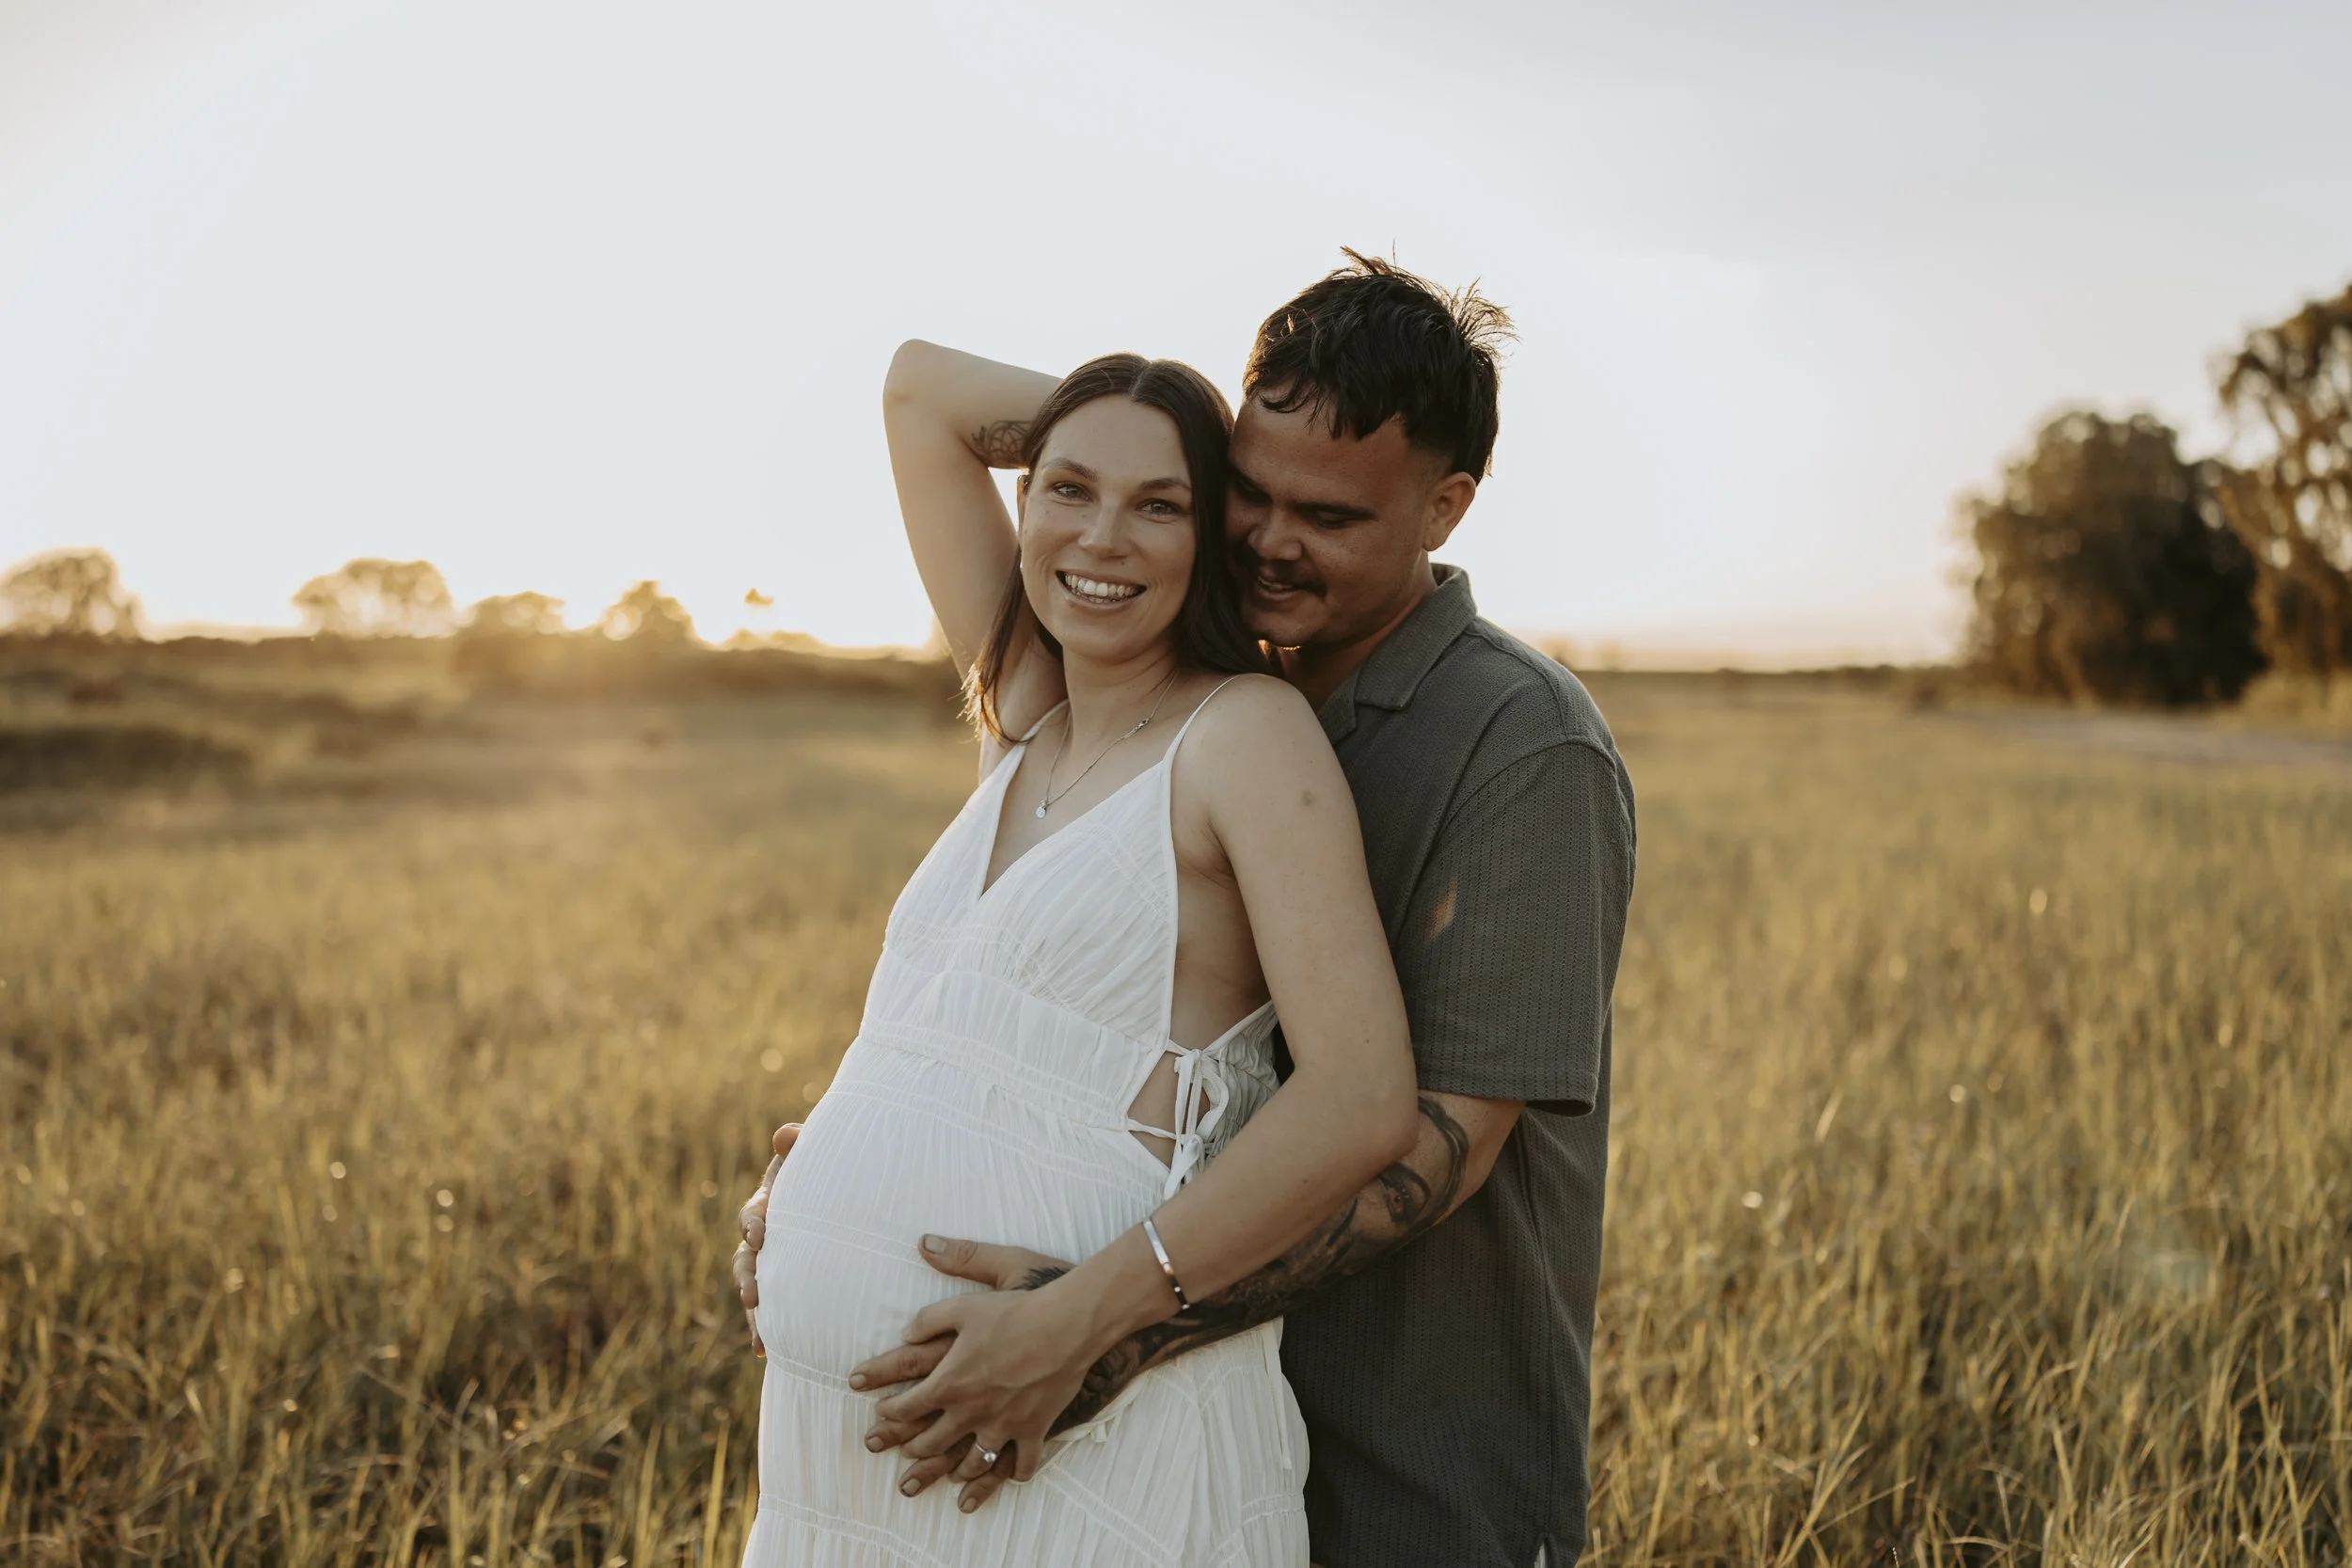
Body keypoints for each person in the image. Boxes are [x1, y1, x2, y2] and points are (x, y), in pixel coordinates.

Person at [740, 254, 1638, 1566]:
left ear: (1444, 508)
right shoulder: (1152, 690)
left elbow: (1430, 1144)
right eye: (1246, 497)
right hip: (1039, 1420)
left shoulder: (1520, 747)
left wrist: (1102, 1324)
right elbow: (921, 394)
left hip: (1403, 1442)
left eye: (1326, 515)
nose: (1268, 538)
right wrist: (844, 1174)